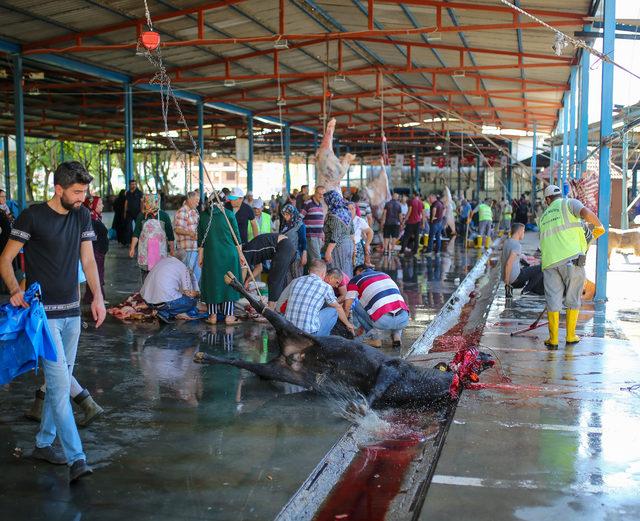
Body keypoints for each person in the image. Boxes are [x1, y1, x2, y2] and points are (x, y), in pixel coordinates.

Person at [0, 161, 106, 483]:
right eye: (76, 192)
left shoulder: (82, 215)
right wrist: (15, 289)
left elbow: (87, 259)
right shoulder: (32, 216)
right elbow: (4, 259)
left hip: (73, 313)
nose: (81, 198)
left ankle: (43, 443)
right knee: (60, 388)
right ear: (58, 189)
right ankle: (77, 458)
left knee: (60, 382)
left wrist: (98, 297)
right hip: (44, 317)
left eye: (84, 192)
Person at [538, 185, 604, 348]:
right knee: (573, 298)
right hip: (572, 261)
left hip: (550, 263)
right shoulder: (569, 203)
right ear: (560, 195)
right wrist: (599, 226)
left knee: (553, 299)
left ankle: (553, 339)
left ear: (547, 200)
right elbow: (587, 214)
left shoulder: (544, 216)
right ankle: (570, 335)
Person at [276, 259, 353, 336]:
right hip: (308, 335)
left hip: (288, 330)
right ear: (324, 274)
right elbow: (338, 308)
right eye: (337, 283)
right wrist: (348, 324)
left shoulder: (295, 281)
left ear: (309, 271)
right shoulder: (326, 287)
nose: (337, 286)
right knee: (333, 310)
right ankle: (321, 343)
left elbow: (281, 301)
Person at [198, 196, 243, 325]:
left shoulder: (203, 216)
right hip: (229, 254)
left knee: (213, 284)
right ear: (221, 202)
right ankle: (229, 316)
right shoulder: (228, 214)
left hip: (211, 255)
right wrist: (240, 255)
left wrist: (200, 257)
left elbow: (201, 239)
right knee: (229, 283)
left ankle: (213, 316)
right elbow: (237, 238)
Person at [344, 264, 409, 349]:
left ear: (358, 271)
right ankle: (397, 336)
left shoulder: (356, 279)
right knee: (394, 304)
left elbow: (347, 307)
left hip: (383, 321)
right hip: (404, 319)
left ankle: (375, 339)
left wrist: (345, 324)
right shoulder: (385, 275)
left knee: (355, 305)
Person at [140, 253, 202, 323]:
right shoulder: (182, 267)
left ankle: (162, 311)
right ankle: (166, 313)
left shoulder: (162, 261)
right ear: (184, 260)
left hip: (147, 301)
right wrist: (197, 293)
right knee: (192, 302)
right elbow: (189, 294)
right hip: (166, 303)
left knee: (172, 296)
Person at [242, 232, 296, 308]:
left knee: (273, 280)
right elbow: (259, 268)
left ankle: (270, 311)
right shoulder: (252, 250)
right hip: (288, 246)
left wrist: (242, 286)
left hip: (283, 246)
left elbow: (243, 271)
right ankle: (278, 309)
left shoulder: (245, 253)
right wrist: (247, 281)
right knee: (280, 280)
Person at [129, 194, 175, 280]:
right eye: (146, 202)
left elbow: (170, 235)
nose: (146, 204)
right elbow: (136, 233)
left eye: (148, 202)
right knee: (146, 277)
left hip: (159, 251)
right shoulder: (141, 216)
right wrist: (132, 248)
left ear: (156, 203)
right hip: (145, 251)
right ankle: (146, 293)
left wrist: (172, 249)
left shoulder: (164, 216)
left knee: (158, 275)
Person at [501, 223, 544, 297]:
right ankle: (526, 290)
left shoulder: (507, 242)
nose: (524, 233)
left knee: (529, 268)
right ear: (519, 232)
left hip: (506, 276)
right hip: (514, 279)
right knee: (541, 268)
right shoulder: (517, 245)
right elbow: (509, 263)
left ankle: (526, 289)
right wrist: (507, 283)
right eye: (523, 231)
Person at [82, 195, 109, 304]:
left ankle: (89, 297)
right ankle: (98, 297)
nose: (102, 205)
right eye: (100, 203)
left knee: (96, 272)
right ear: (93, 205)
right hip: (95, 251)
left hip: (98, 251)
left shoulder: (95, 216)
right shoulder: (91, 219)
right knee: (97, 273)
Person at [323, 190, 355, 278]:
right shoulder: (346, 212)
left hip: (338, 247)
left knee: (337, 272)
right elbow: (352, 232)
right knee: (347, 269)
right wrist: (354, 246)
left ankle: (340, 291)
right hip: (349, 245)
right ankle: (348, 290)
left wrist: (328, 252)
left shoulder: (334, 215)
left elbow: (335, 235)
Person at [173, 191, 200, 281]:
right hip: (187, 250)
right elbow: (177, 229)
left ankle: (194, 293)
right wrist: (190, 233)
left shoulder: (194, 211)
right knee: (188, 276)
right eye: (196, 200)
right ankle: (189, 294)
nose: (198, 203)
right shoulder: (182, 211)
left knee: (196, 275)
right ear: (189, 199)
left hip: (195, 249)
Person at [280, 203, 307, 281]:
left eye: (287, 214)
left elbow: (303, 241)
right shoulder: (284, 225)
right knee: (288, 279)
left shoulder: (299, 225)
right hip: (286, 256)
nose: (285, 217)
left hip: (296, 256)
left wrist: (304, 255)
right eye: (284, 214)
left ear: (292, 214)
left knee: (297, 278)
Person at [300, 185, 326, 262]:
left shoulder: (320, 204)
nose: (321, 196)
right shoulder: (308, 203)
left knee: (311, 260)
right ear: (315, 193)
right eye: (319, 194)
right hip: (311, 236)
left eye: (323, 194)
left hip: (318, 236)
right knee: (317, 260)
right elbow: (299, 218)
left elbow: (320, 221)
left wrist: (322, 233)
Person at [401, 192, 423, 256]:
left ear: (414, 195)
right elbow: (422, 214)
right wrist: (423, 223)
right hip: (418, 222)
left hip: (411, 222)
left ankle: (402, 251)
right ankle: (415, 251)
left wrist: (404, 220)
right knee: (416, 237)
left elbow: (409, 211)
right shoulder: (421, 203)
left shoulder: (412, 201)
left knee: (406, 237)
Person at [123, 179, 143, 244]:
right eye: (132, 184)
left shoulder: (139, 192)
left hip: (137, 212)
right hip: (129, 212)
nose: (133, 185)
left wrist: (142, 212)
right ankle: (129, 242)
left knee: (138, 227)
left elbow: (142, 202)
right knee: (128, 227)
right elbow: (126, 202)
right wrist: (125, 212)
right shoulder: (128, 193)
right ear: (129, 185)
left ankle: (139, 241)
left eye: (134, 184)